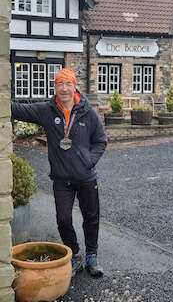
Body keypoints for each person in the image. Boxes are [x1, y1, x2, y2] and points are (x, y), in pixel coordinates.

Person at [11, 67, 107, 277]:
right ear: (55, 87)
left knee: (91, 217)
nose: (64, 89)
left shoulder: (88, 113)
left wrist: (89, 161)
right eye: (60, 84)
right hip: (62, 180)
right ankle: (74, 254)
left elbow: (101, 141)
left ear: (74, 86)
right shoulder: (47, 110)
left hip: (86, 178)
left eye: (68, 84)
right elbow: (17, 109)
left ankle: (92, 256)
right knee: (63, 219)